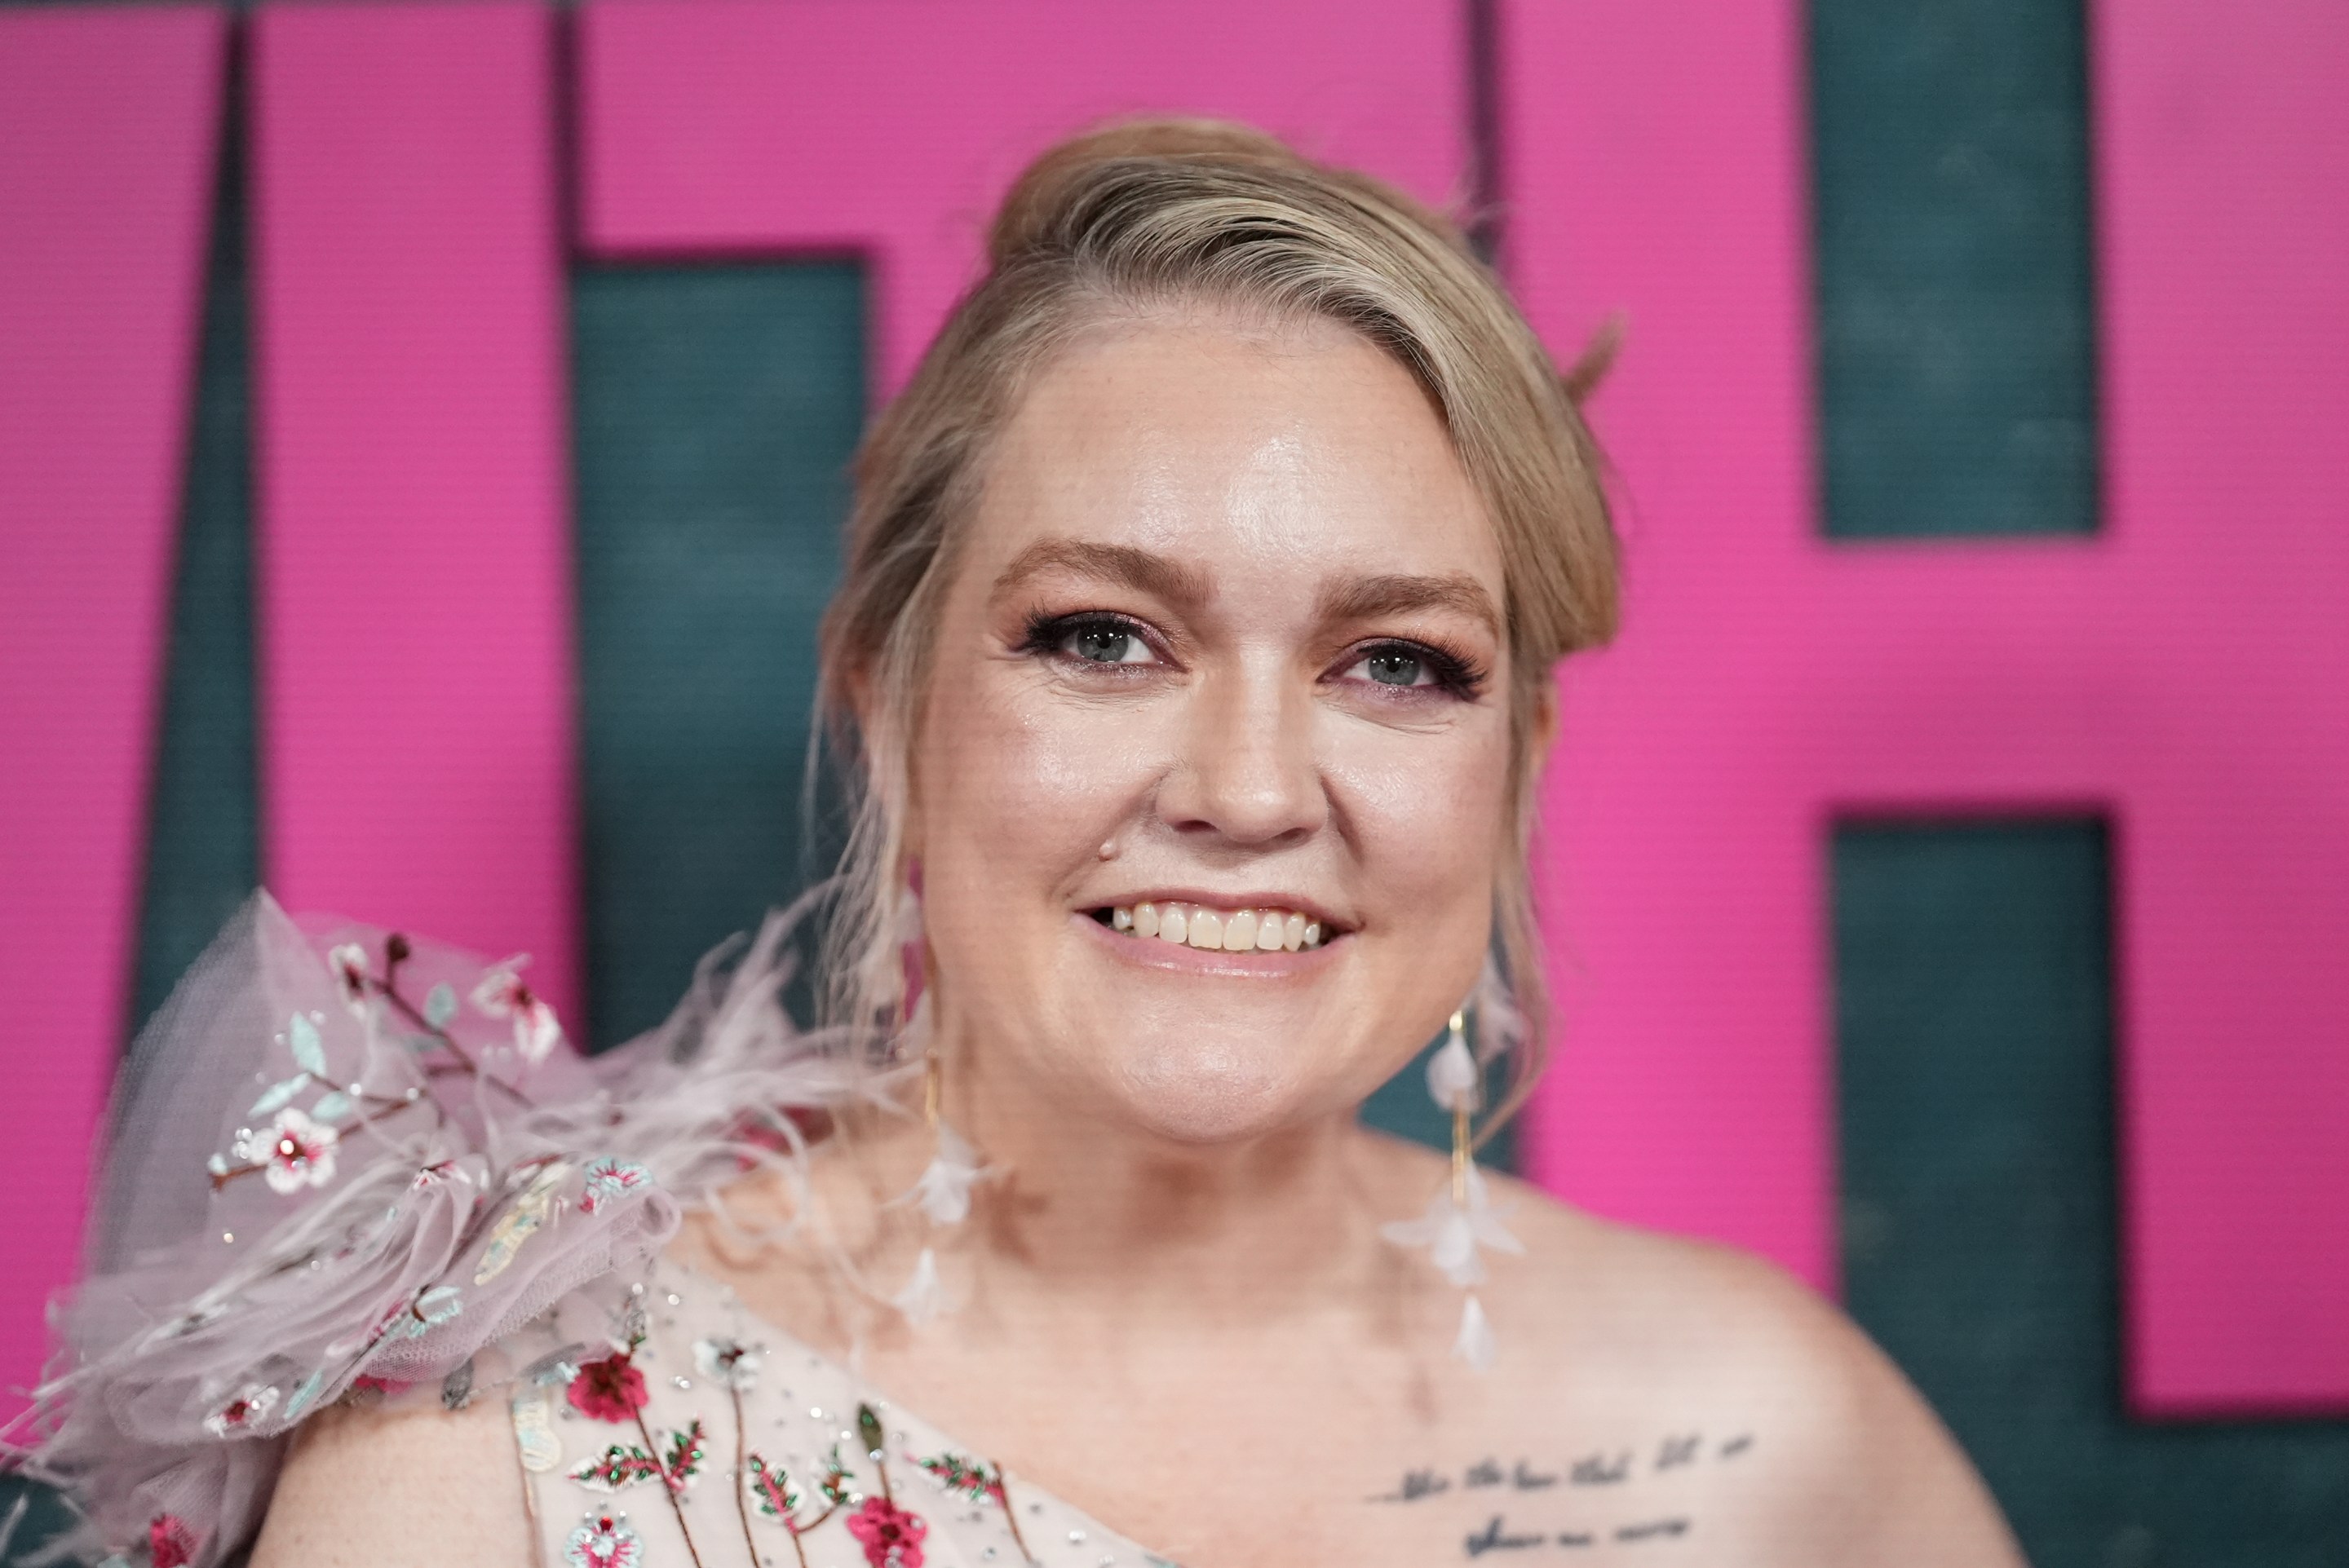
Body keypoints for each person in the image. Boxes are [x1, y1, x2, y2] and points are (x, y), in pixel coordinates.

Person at [17, 121, 2021, 1567]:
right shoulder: (508, 1457)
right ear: (888, 696)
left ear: (1518, 752)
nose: (1248, 784)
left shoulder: (1767, 1443)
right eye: (1099, 636)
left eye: (1397, 662)